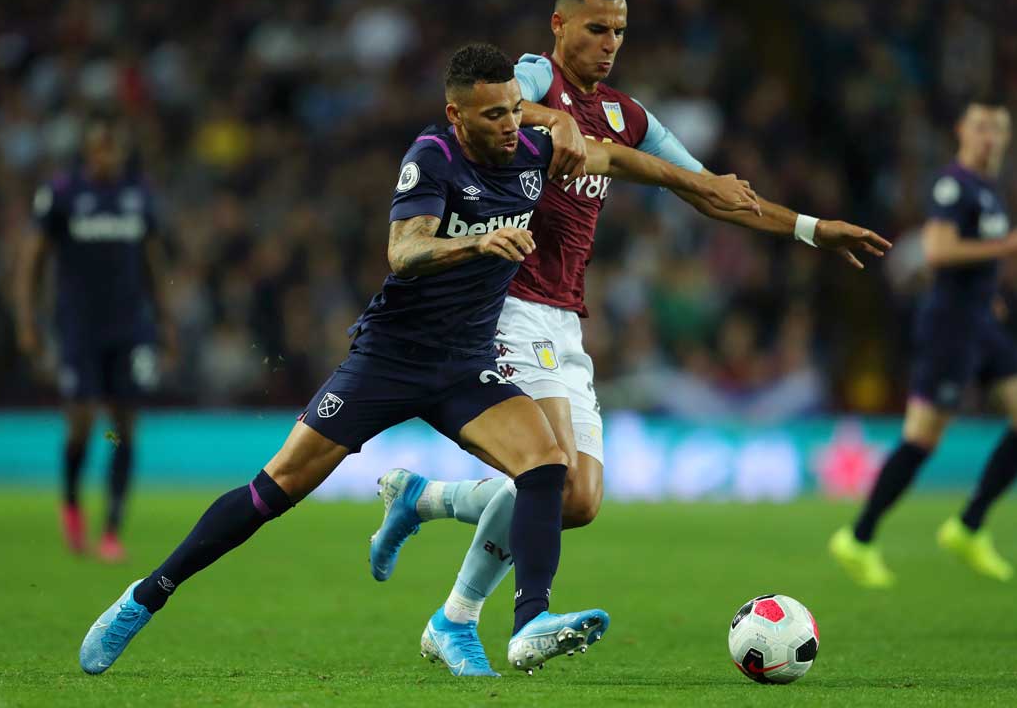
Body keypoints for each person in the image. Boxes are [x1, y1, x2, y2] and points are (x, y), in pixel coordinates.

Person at [77, 43, 763, 677]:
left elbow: (621, 161)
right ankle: (145, 597)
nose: (506, 125)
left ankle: (527, 620)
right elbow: (404, 251)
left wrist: (699, 183)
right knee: (274, 489)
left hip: (465, 367)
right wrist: (478, 243)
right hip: (389, 360)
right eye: (492, 114)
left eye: (512, 111)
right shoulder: (432, 156)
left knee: (547, 463)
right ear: (455, 114)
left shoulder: (533, 149)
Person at [368, 0, 892, 676]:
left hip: (565, 317)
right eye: (595, 28)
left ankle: (425, 500)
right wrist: (551, 115)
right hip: (508, 304)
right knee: (546, 473)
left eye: (619, 29)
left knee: (577, 500)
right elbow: (491, 107)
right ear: (560, 26)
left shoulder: (624, 115)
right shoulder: (531, 76)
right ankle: (475, 619)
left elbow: (711, 190)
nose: (610, 41)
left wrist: (812, 229)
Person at [831, 97, 1015, 587]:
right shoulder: (954, 184)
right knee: (921, 439)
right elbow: (937, 250)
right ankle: (859, 536)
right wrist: (1007, 247)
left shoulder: (990, 191)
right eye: (981, 127)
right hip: (951, 328)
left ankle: (969, 525)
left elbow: (975, 260)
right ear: (962, 131)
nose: (990, 137)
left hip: (981, 323)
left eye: (998, 128)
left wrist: (991, 293)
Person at [16, 113, 176, 562]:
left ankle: (111, 528)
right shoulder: (64, 194)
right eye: (100, 147)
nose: (107, 155)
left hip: (129, 328)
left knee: (123, 427)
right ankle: (70, 500)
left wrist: (166, 321)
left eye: (114, 147)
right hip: (79, 328)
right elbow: (32, 260)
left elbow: (152, 262)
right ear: (88, 151)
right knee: (83, 422)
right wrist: (26, 319)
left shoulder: (137, 196)